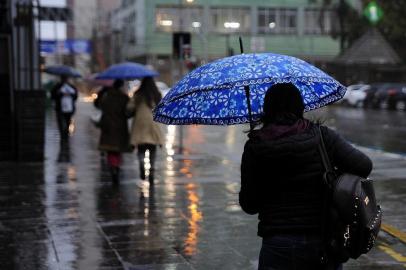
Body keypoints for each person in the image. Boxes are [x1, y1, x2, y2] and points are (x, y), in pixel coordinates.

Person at [239, 83, 372, 270]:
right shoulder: (322, 136)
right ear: (299, 106)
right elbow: (364, 165)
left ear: (267, 109)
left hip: (278, 243)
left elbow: (249, 205)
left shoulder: (255, 146)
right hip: (323, 240)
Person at [127, 77, 164, 185]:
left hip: (140, 124)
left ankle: (142, 164)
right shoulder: (156, 95)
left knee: (141, 148)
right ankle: (151, 169)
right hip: (153, 124)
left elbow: (130, 108)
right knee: (152, 149)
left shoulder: (138, 94)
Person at [98, 79, 130, 183]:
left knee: (110, 149)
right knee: (118, 148)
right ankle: (116, 166)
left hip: (107, 126)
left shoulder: (106, 96)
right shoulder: (124, 98)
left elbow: (98, 105)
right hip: (120, 126)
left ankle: (113, 167)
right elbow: (128, 111)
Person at [51, 75, 78, 142]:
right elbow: (53, 96)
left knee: (67, 121)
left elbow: (75, 97)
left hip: (69, 109)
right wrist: (60, 94)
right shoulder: (57, 87)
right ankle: (63, 135)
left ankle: (65, 134)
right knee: (61, 122)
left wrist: (69, 94)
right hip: (60, 108)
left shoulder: (71, 87)